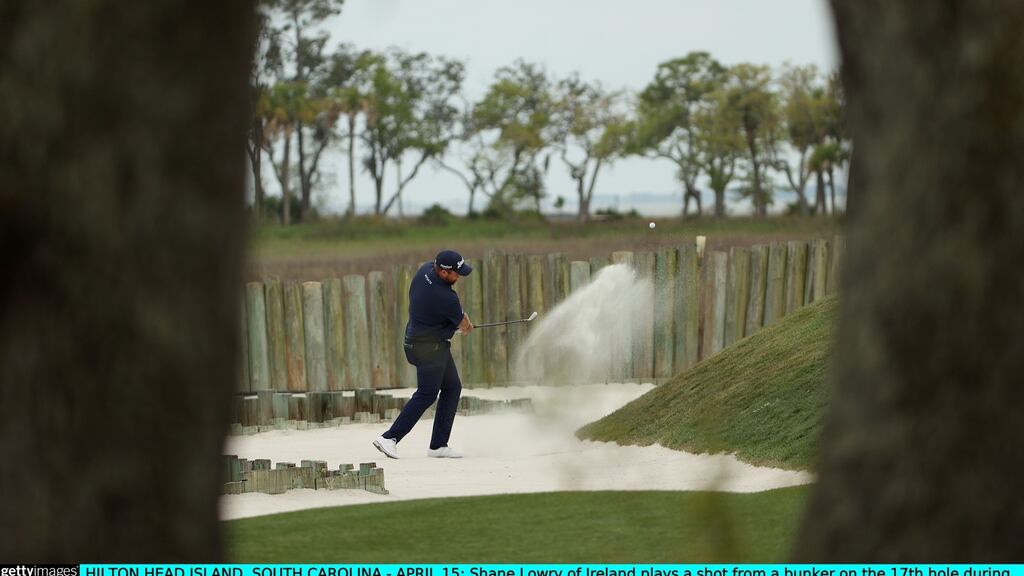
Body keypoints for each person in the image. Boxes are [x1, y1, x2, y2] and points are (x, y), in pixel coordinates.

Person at [373, 250, 474, 459]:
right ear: (444, 273)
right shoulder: (447, 297)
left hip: (415, 342)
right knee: (427, 393)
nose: (459, 277)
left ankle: (438, 446)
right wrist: (466, 325)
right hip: (430, 349)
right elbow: (463, 324)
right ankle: (389, 438)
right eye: (457, 273)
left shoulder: (424, 270)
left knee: (452, 387)